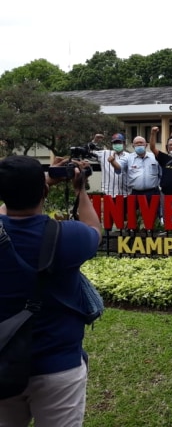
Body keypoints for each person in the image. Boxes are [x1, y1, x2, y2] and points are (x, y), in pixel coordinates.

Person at [0, 156, 101, 426]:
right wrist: (80, 189)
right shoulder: (69, 236)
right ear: (44, 191)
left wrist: (37, 181)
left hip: (3, 362)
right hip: (59, 365)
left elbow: (4, 212)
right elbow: (95, 229)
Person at [90, 133, 130, 197]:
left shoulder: (129, 156)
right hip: (109, 192)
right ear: (112, 144)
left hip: (125, 193)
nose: (117, 144)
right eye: (115, 143)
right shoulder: (104, 154)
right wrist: (95, 141)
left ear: (124, 143)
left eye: (119, 142)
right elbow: (88, 153)